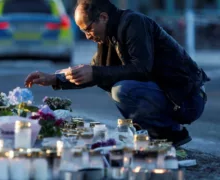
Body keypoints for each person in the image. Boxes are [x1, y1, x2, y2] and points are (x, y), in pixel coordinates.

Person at [24, 0, 210, 147]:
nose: (87, 36)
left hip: (186, 100)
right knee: (116, 83)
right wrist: (54, 78)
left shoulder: (133, 23)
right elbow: (92, 71)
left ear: (103, 17)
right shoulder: (108, 36)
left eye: (88, 29)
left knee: (123, 90)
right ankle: (155, 131)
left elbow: (141, 68)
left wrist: (95, 72)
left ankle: (170, 134)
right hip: (169, 97)